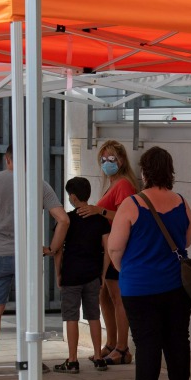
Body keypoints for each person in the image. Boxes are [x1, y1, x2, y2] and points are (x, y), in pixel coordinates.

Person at [0, 147, 70, 376]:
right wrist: (51, 248)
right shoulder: (39, 184)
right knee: (30, 310)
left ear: (7, 159)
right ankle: (34, 360)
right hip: (28, 256)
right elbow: (63, 220)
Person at [105, 146, 191, 380]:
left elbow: (115, 248)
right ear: (170, 171)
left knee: (147, 343)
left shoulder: (132, 204)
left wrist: (127, 269)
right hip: (177, 287)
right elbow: (187, 240)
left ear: (144, 171)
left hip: (140, 287)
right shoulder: (181, 201)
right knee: (178, 340)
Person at [74, 140, 139, 366]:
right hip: (107, 249)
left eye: (111, 158)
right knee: (104, 295)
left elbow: (125, 216)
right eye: (103, 159)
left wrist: (98, 210)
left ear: (121, 160)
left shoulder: (123, 185)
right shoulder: (112, 184)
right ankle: (111, 343)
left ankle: (122, 347)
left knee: (116, 297)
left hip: (117, 248)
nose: (107, 163)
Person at [47, 177, 111, 373]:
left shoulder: (66, 220)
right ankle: (99, 357)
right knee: (93, 316)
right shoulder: (101, 221)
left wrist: (58, 274)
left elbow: (57, 250)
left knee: (71, 317)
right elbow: (108, 249)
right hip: (93, 275)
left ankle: (73, 360)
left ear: (73, 197)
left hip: (71, 275)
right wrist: (103, 274)